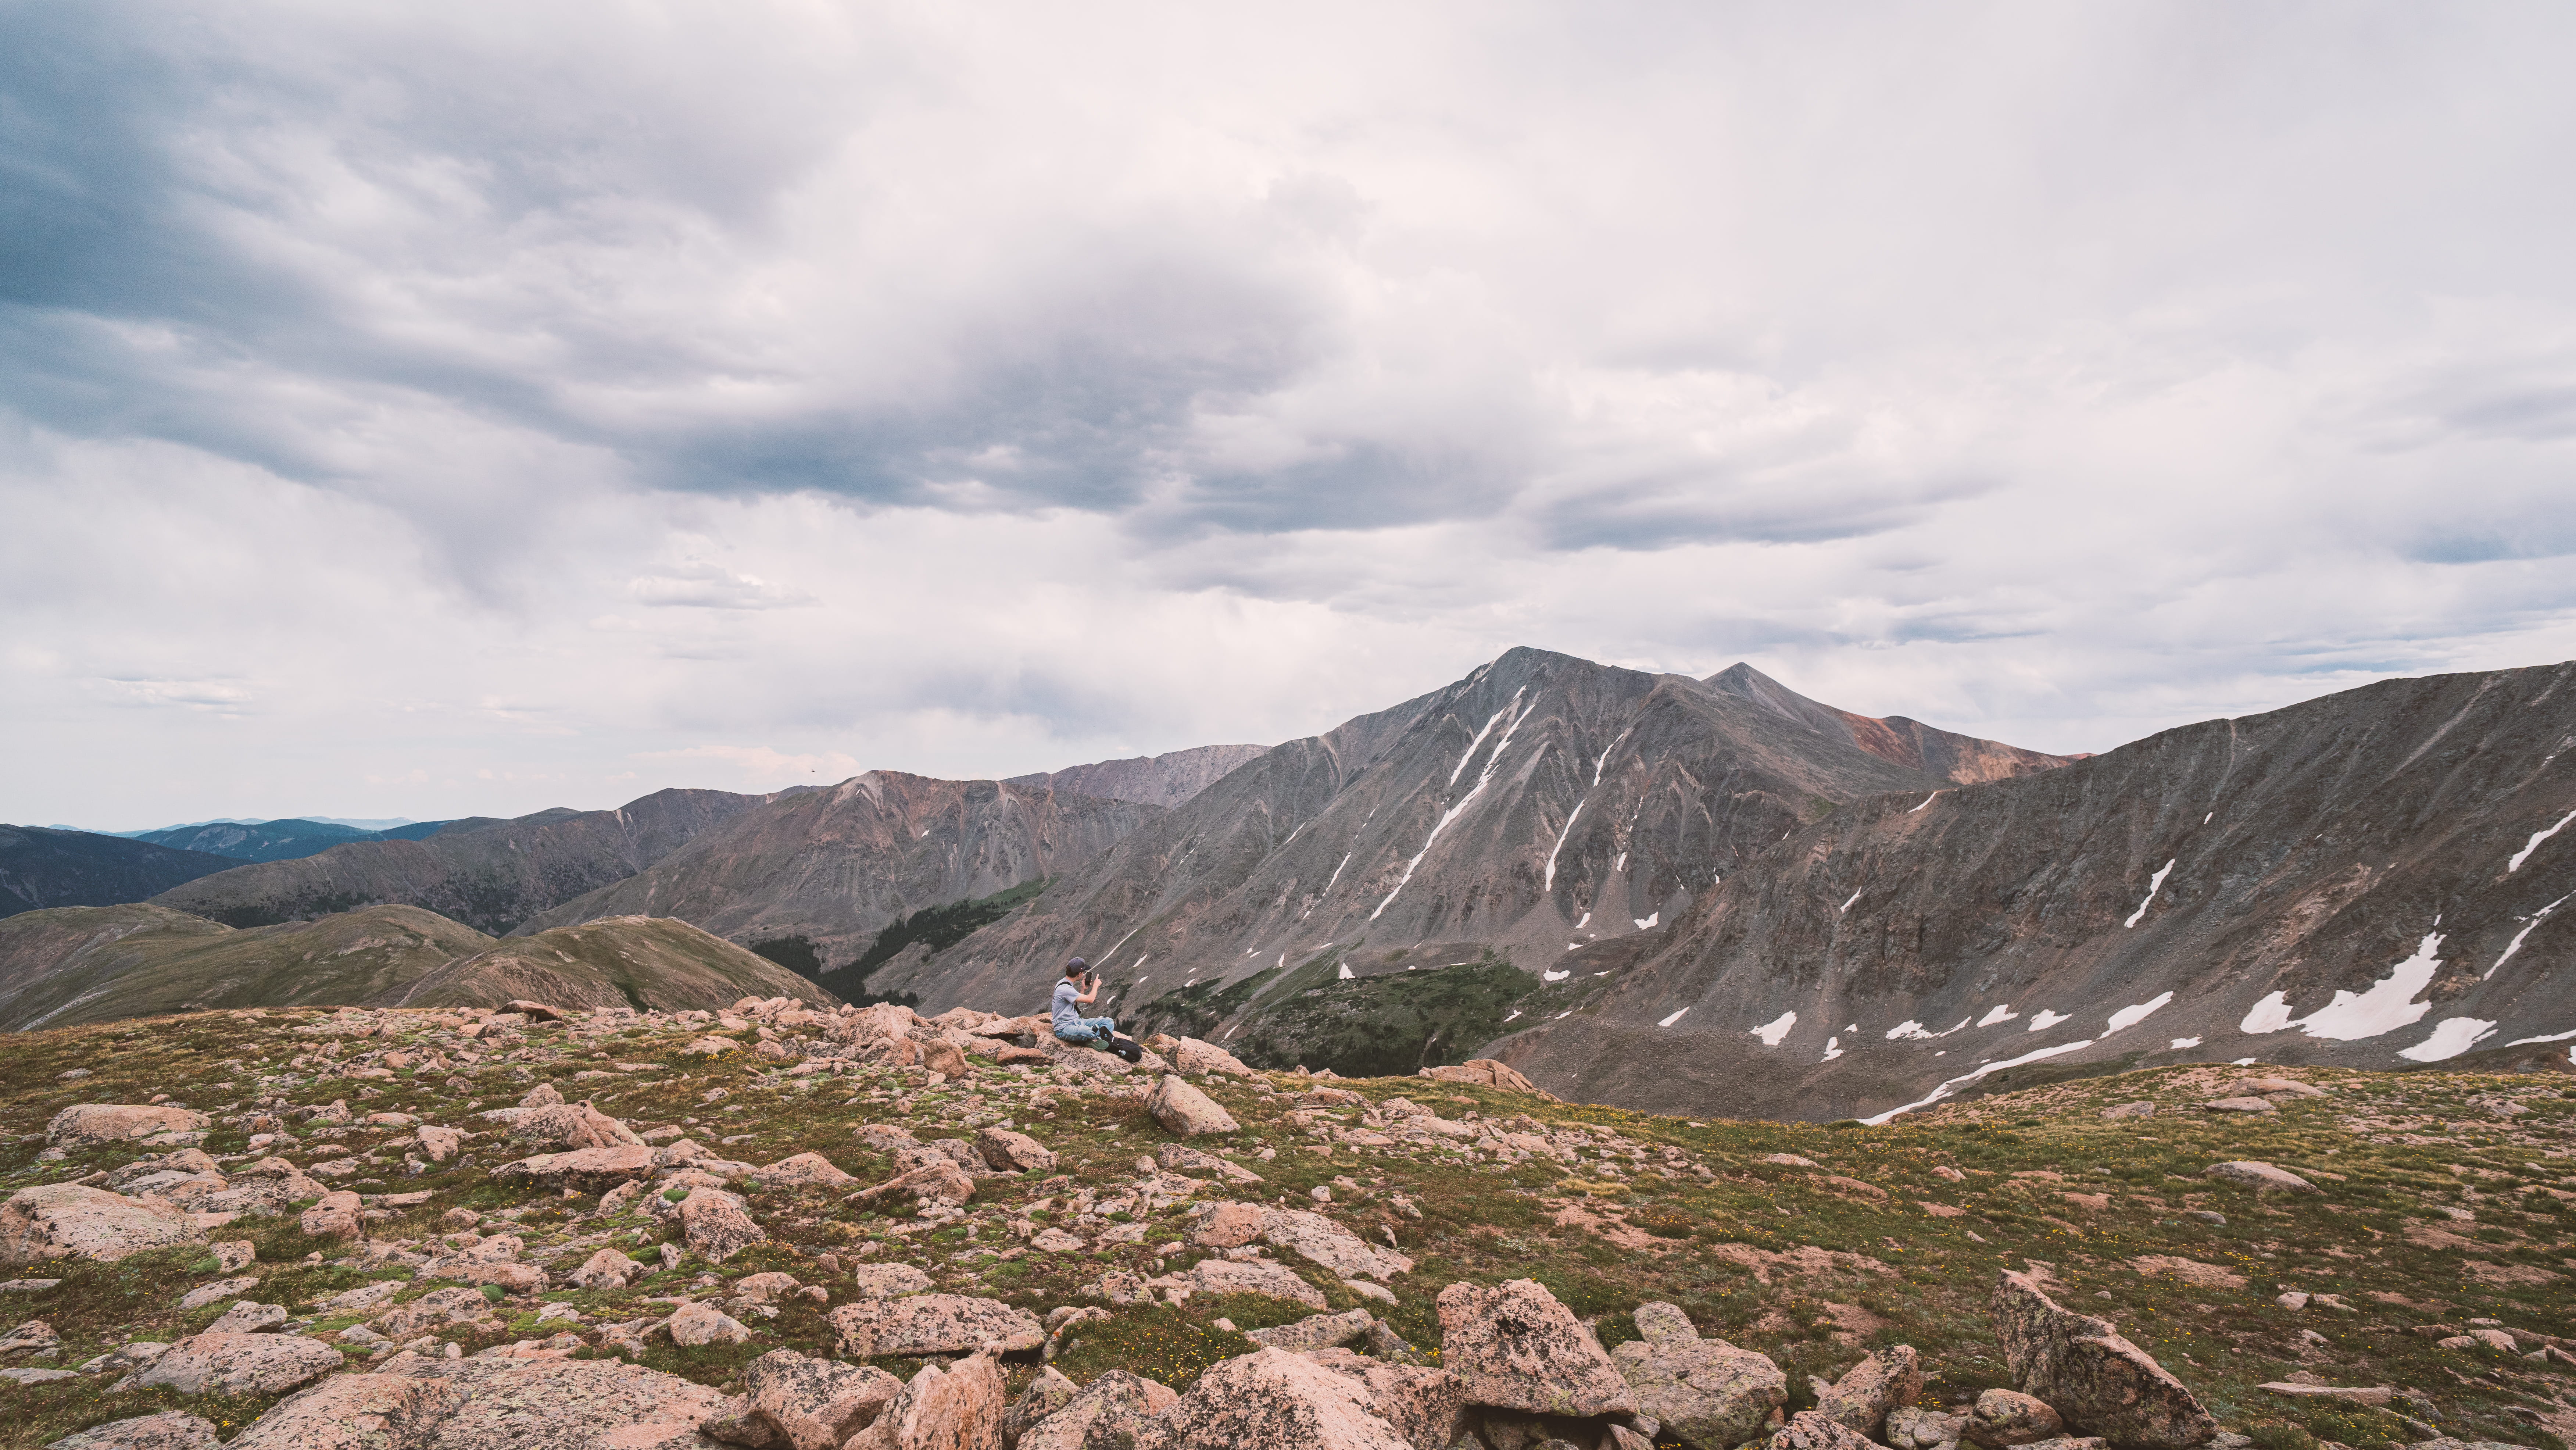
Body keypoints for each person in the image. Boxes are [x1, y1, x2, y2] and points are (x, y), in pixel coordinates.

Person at [1050, 958, 1142, 1062]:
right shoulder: (1065, 989)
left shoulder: (1064, 983)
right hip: (1064, 1028)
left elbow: (1075, 1005)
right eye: (1084, 972)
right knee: (1087, 1032)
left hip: (1077, 1021)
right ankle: (1093, 1038)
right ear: (1080, 974)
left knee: (1108, 1022)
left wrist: (1083, 989)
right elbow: (1090, 1000)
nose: (1084, 975)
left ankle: (1093, 1039)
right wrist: (1096, 986)